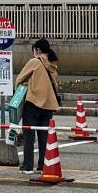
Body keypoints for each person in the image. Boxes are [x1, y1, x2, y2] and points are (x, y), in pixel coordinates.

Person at [14, 38, 62, 176]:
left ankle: (28, 166)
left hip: (33, 104)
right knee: (44, 138)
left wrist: (23, 89)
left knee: (29, 137)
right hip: (48, 106)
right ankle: (42, 166)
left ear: (38, 50)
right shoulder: (52, 65)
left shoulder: (34, 61)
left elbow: (19, 80)